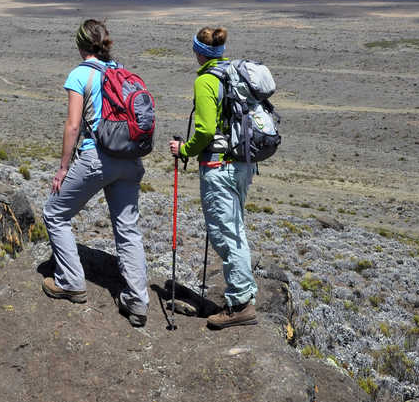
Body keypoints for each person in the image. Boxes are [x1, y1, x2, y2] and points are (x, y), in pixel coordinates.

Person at [42, 19, 149, 327]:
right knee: (128, 230)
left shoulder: (81, 74)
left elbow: (73, 125)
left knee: (54, 214)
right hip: (130, 160)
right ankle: (138, 301)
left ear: (80, 45)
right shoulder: (120, 71)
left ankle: (71, 281)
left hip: (97, 157)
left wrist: (63, 168)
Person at [168, 26, 259, 329]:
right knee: (235, 230)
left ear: (199, 52)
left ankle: (240, 305)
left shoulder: (207, 81)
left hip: (219, 167)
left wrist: (185, 148)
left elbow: (205, 130)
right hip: (241, 165)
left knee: (225, 235)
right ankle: (242, 297)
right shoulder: (233, 74)